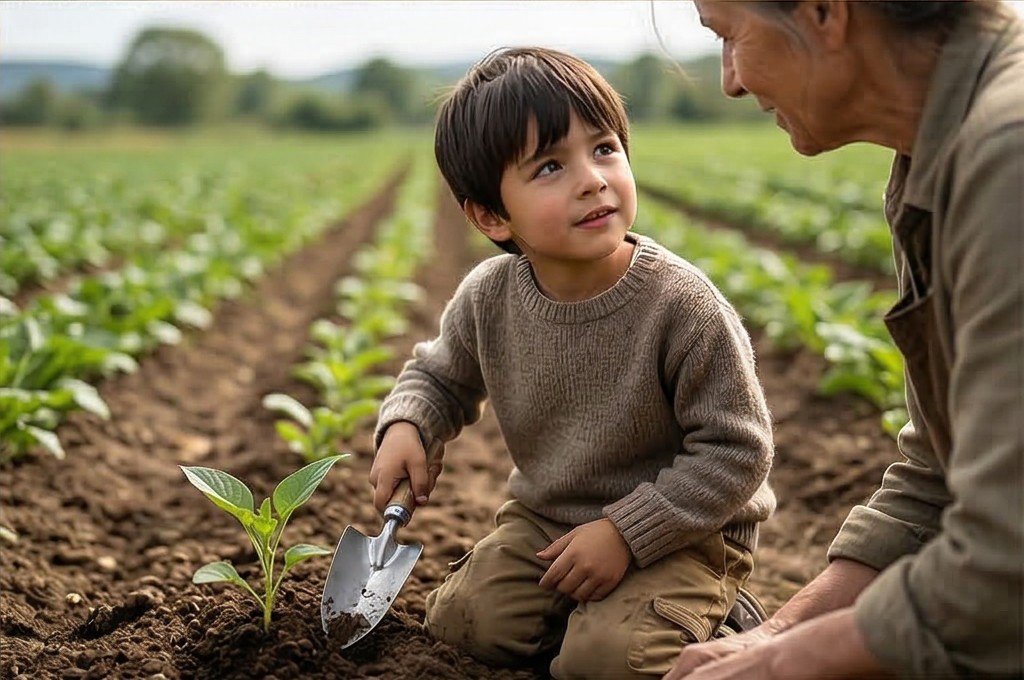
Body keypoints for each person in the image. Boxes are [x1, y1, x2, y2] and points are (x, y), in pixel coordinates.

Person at [368, 46, 776, 679]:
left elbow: (738, 451)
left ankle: (721, 621)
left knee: (607, 663)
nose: (592, 179)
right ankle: (589, 611)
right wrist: (407, 424)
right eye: (550, 166)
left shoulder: (682, 306)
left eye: (604, 148)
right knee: (464, 625)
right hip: (548, 519)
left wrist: (624, 533)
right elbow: (438, 376)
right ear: (491, 215)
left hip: (684, 530)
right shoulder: (489, 297)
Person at [665, 1, 1024, 679]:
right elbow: (937, 482)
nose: (730, 81)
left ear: (826, 11)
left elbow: (1006, 570)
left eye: (729, 36)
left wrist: (777, 667)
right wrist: (771, 637)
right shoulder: (936, 153)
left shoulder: (1008, 158)